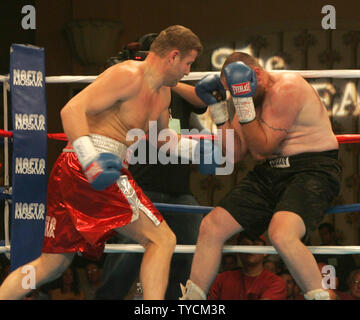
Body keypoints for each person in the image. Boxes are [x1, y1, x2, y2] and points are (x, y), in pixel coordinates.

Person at [0, 25, 214, 300]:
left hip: (82, 170)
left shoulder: (164, 94)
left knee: (51, 264)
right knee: (162, 239)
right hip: (86, 165)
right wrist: (91, 161)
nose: (187, 71)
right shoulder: (126, 75)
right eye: (188, 63)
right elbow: (72, 109)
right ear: (173, 56)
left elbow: (161, 140)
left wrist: (199, 151)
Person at [176, 52, 342, 300]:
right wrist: (218, 109)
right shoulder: (243, 95)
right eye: (230, 91)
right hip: (271, 172)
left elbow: (262, 149)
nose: (236, 93)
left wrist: (243, 101)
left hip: (312, 168)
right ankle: (192, 300)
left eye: (238, 88)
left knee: (281, 233)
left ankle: (323, 298)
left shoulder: (287, 86)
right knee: (211, 225)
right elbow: (234, 154)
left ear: (258, 75)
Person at [94, 34, 206, 300]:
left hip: (179, 190)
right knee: (126, 257)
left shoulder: (172, 89)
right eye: (185, 63)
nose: (187, 69)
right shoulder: (130, 84)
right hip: (141, 186)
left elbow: (203, 100)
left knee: (188, 248)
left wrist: (169, 79)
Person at [208, 233, 286, 300]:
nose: (250, 248)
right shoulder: (221, 279)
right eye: (245, 244)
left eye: (256, 244)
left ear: (265, 251)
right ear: (238, 250)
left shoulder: (275, 282)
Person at [315, 222, 357, 291]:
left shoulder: (343, 251)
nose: (323, 237)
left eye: (325, 234)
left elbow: (353, 271)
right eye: (321, 235)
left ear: (332, 234)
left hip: (344, 288)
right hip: (323, 289)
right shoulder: (318, 252)